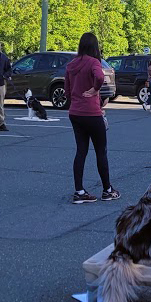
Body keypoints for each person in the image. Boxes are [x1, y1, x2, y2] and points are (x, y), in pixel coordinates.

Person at [65, 32, 119, 204]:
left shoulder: (71, 65)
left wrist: (78, 98)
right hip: (91, 114)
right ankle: (107, 190)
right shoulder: (93, 62)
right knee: (100, 151)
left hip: (75, 112)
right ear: (94, 46)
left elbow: (67, 91)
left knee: (81, 151)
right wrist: (96, 90)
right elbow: (100, 77)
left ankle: (79, 191)